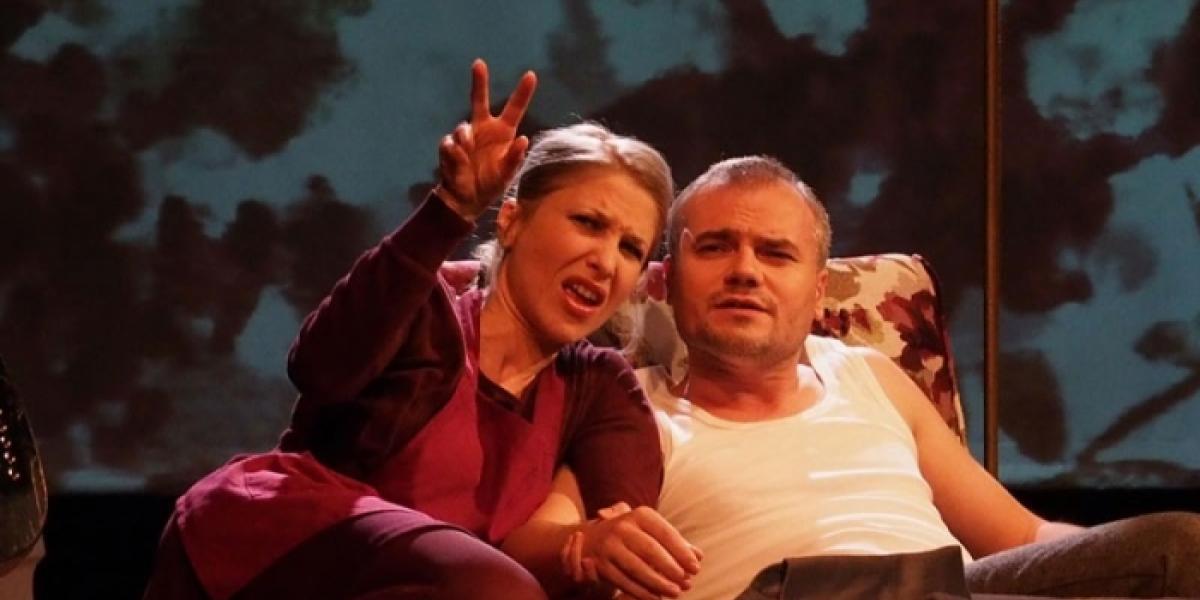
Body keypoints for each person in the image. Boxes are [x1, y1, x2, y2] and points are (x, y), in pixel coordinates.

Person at [142, 59, 700, 600]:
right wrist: (449, 208)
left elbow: (610, 548)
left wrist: (595, 545)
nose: (605, 261)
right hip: (282, 554)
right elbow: (319, 369)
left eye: (631, 249)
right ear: (512, 221)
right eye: (588, 223)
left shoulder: (598, 389)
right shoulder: (423, 301)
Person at [554, 155, 1200, 599]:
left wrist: (1123, 569)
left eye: (776, 253)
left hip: (953, 589)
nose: (745, 271)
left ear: (817, 293)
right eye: (716, 247)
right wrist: (586, 541)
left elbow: (1023, 537)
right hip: (784, 593)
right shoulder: (631, 407)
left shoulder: (867, 375)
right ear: (668, 281)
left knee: (1178, 547)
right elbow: (544, 536)